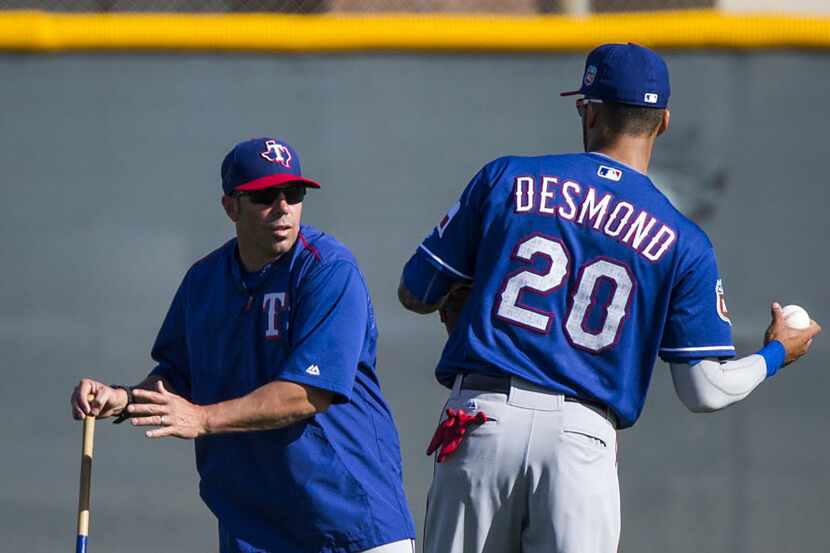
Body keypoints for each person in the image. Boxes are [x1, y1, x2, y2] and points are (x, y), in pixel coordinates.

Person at [397, 43, 821, 553]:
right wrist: (777, 352)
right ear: (663, 122)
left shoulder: (507, 178)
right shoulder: (683, 240)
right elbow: (704, 390)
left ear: (589, 110)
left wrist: (469, 295)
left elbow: (415, 291)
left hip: (484, 419)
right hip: (582, 442)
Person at [71, 137, 416, 553]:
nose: (283, 207)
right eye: (265, 195)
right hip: (255, 530)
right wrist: (123, 399)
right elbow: (179, 376)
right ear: (231, 206)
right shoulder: (204, 281)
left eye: (294, 193)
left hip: (348, 523)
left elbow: (308, 392)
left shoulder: (327, 269)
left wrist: (202, 419)